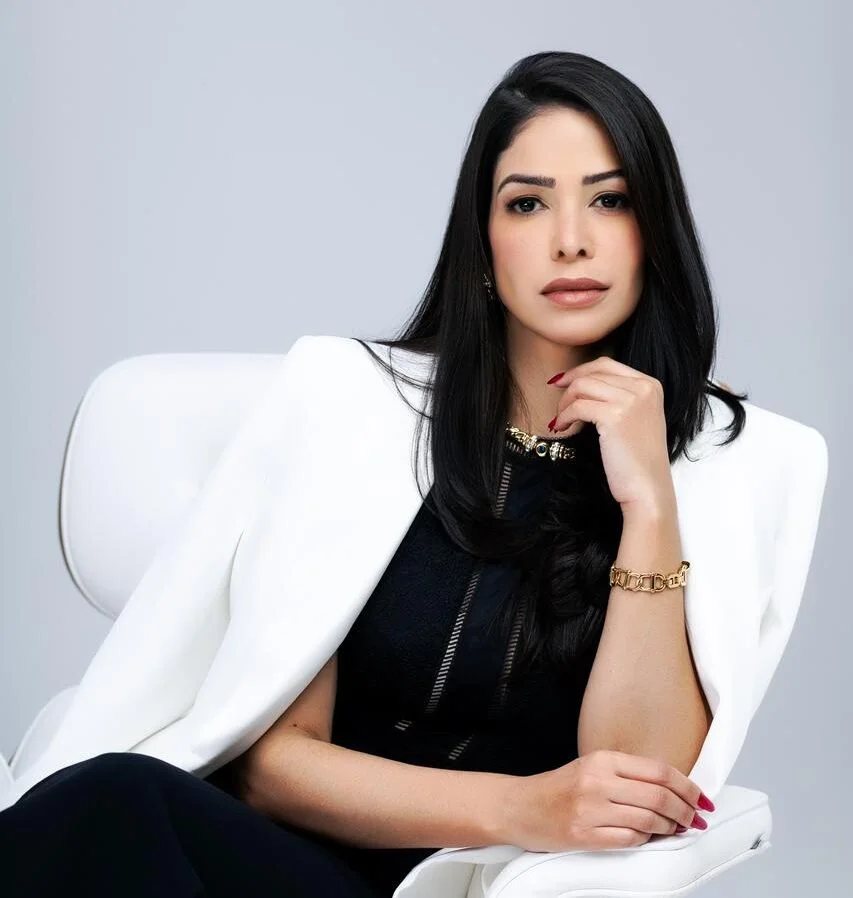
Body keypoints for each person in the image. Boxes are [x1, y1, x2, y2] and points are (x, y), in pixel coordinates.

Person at [0, 49, 738, 897]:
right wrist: (520, 806)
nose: (570, 239)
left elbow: (637, 784)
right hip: (267, 863)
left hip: (467, 888)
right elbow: (273, 764)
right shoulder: (354, 415)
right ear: (482, 244)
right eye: (527, 203)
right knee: (113, 801)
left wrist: (647, 503)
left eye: (609, 200)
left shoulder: (720, 466)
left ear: (654, 234)